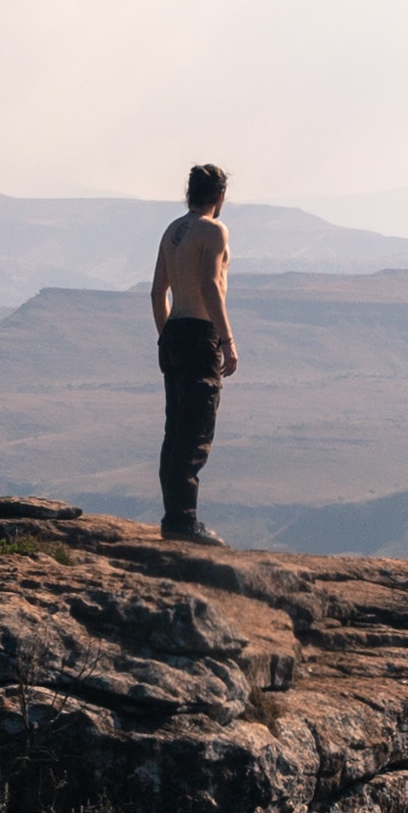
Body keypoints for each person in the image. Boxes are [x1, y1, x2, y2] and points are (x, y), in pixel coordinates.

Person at [146, 160, 236, 541]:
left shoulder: (172, 231)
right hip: (200, 332)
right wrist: (226, 339)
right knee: (196, 429)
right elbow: (211, 285)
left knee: (175, 427)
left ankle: (174, 518)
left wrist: (167, 336)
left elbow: (156, 292)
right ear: (219, 195)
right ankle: (184, 521)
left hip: (173, 330)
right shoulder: (213, 230)